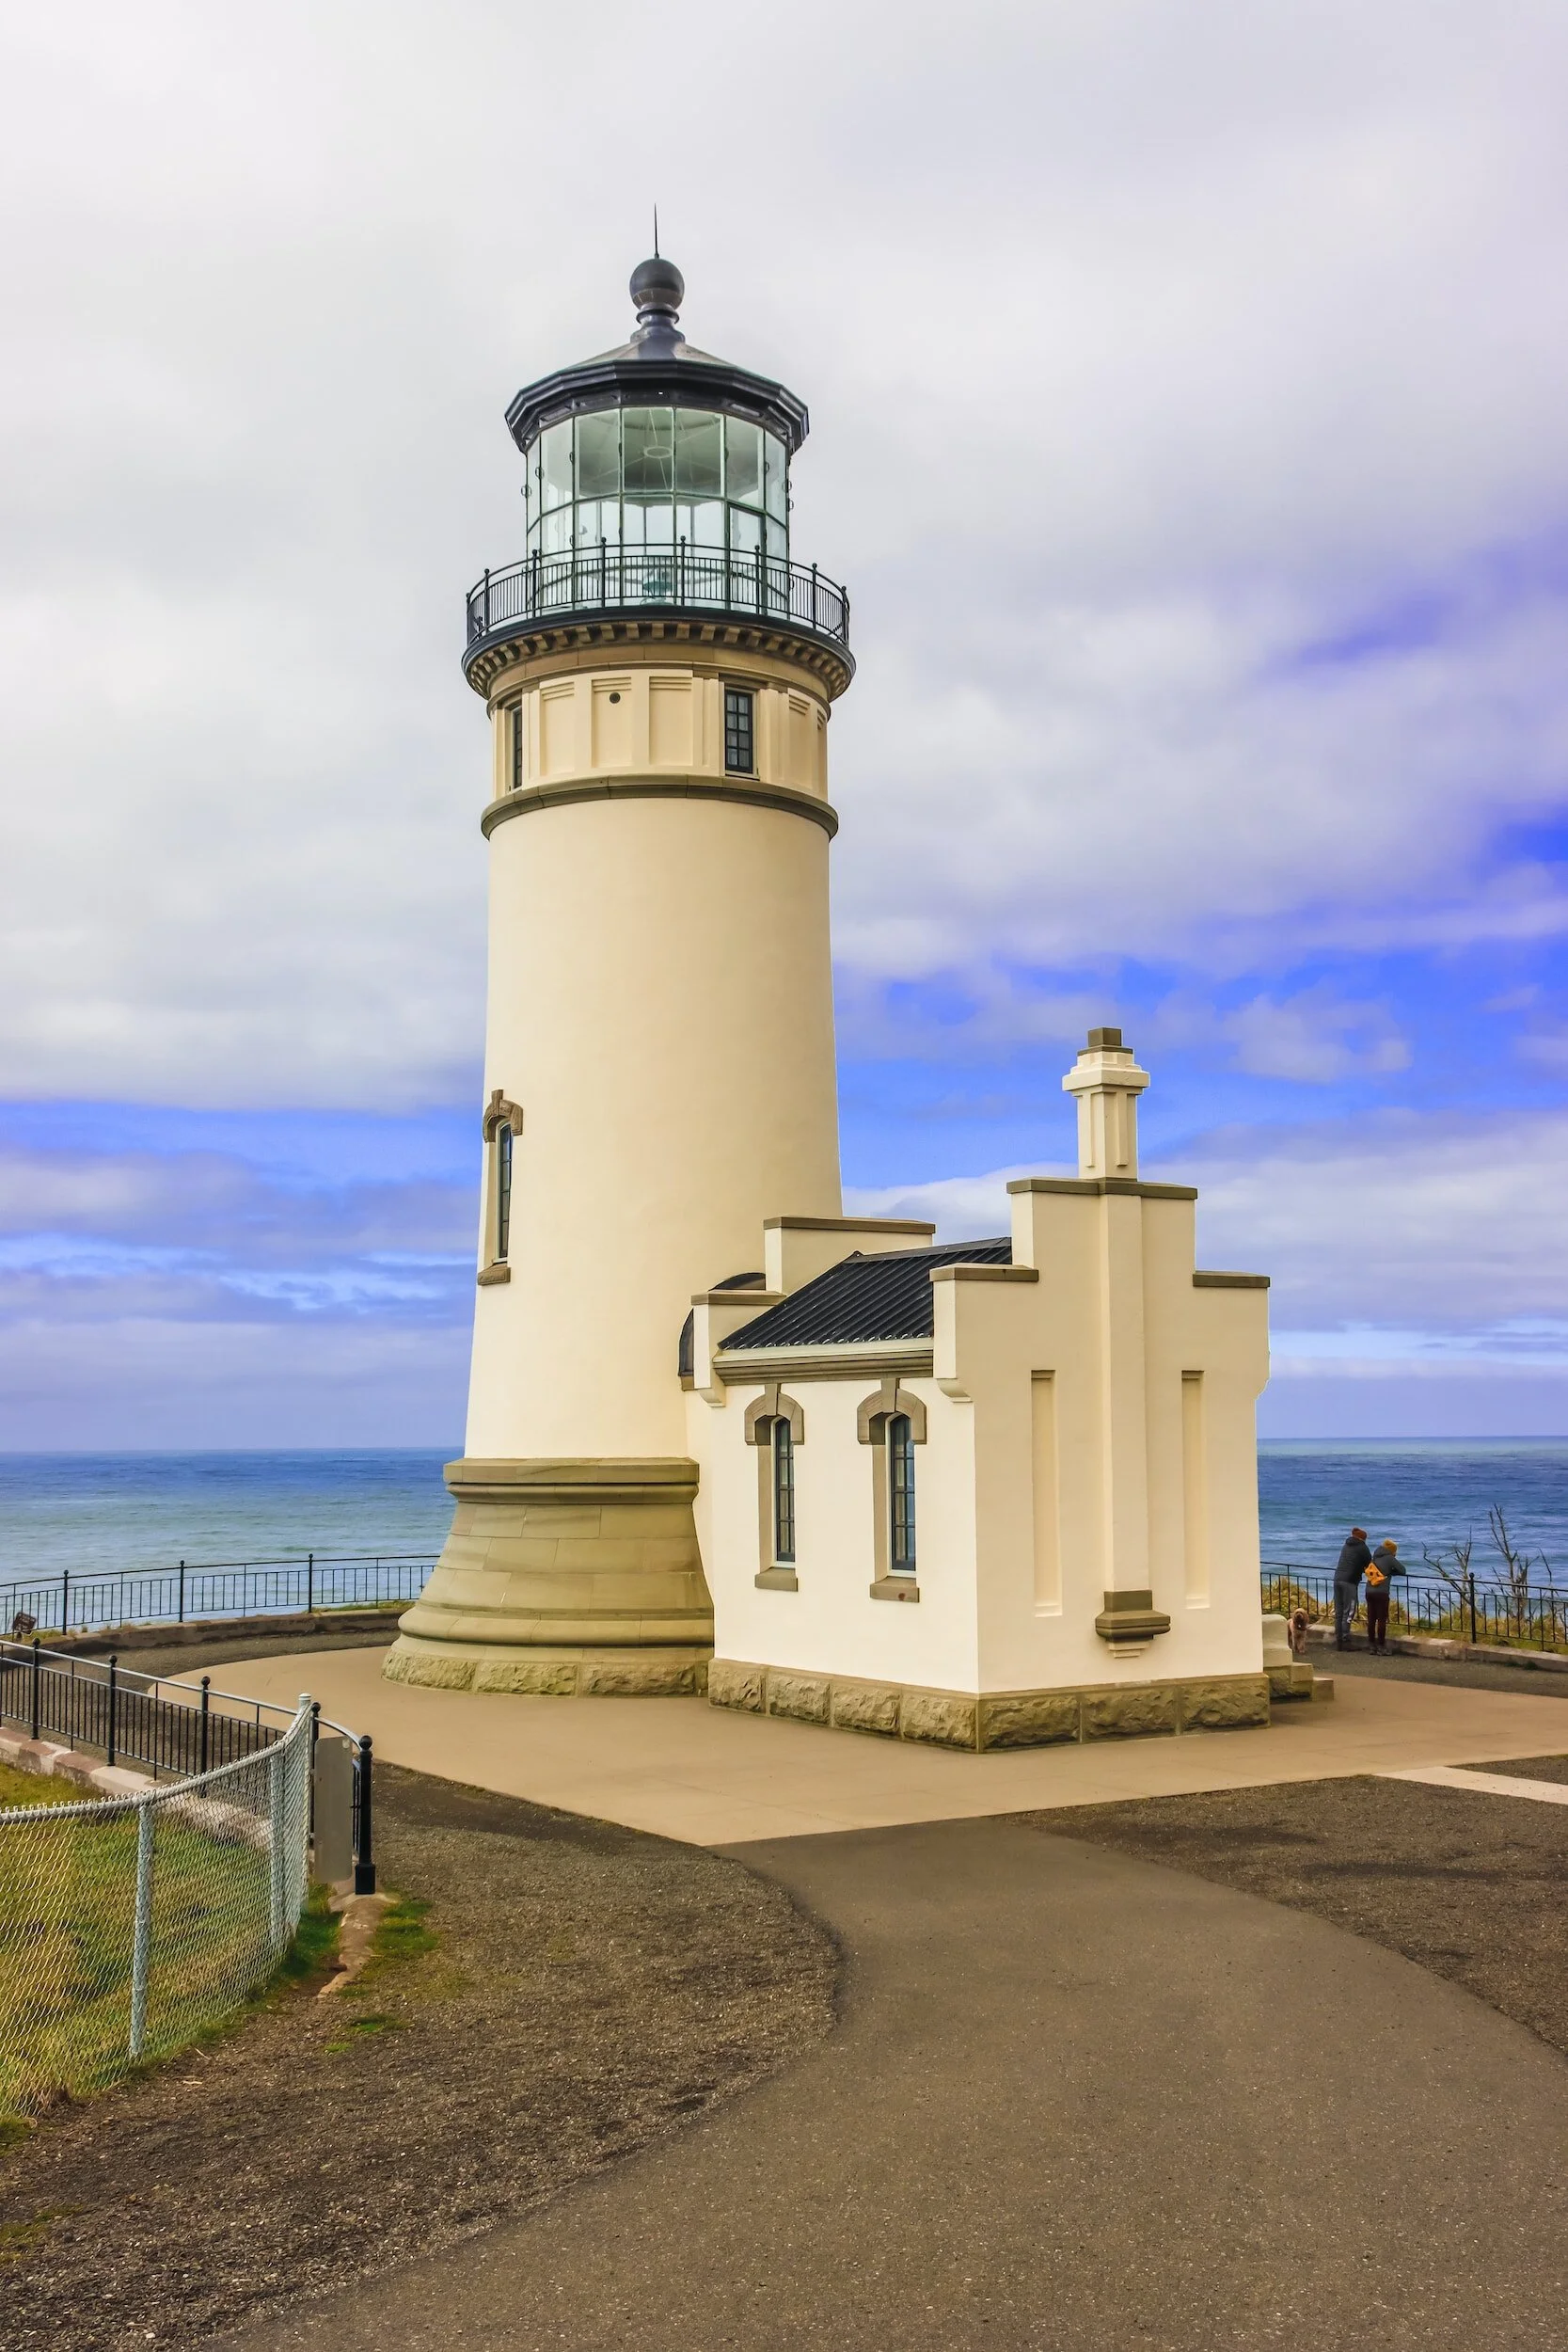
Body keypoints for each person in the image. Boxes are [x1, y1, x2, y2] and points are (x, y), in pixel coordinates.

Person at [1333, 1529, 1371, 1649]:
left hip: (1337, 1578)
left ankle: (1338, 1641)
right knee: (1348, 1612)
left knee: (1338, 1612)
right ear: (1363, 1538)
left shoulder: (1346, 1545)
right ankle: (1346, 1641)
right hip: (1349, 1581)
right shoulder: (1362, 1547)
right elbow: (1370, 1564)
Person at [1364, 1538, 1403, 1655]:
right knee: (1381, 1620)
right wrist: (1391, 1572)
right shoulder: (1390, 1558)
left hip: (1369, 1591)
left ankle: (1372, 1646)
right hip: (1382, 1592)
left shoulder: (1374, 1557)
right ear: (1392, 1550)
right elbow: (1403, 1570)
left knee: (1371, 1619)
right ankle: (1381, 1646)